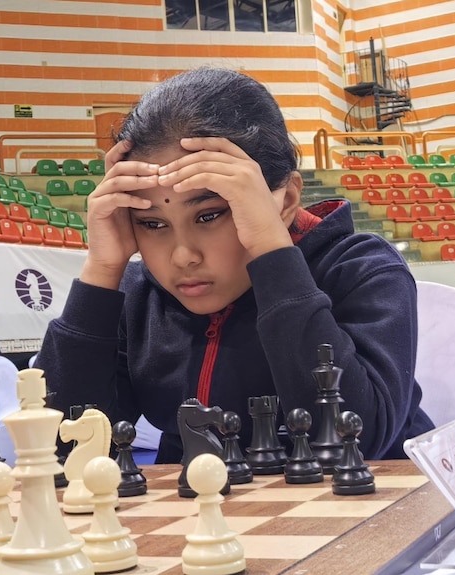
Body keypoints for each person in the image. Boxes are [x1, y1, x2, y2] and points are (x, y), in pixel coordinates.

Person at [36, 67, 434, 463]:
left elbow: (355, 442)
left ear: (286, 200)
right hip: (206, 514)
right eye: (152, 223)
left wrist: (271, 252)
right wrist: (102, 271)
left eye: (209, 215)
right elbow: (67, 452)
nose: (182, 255)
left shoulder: (361, 269)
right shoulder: (137, 293)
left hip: (387, 509)